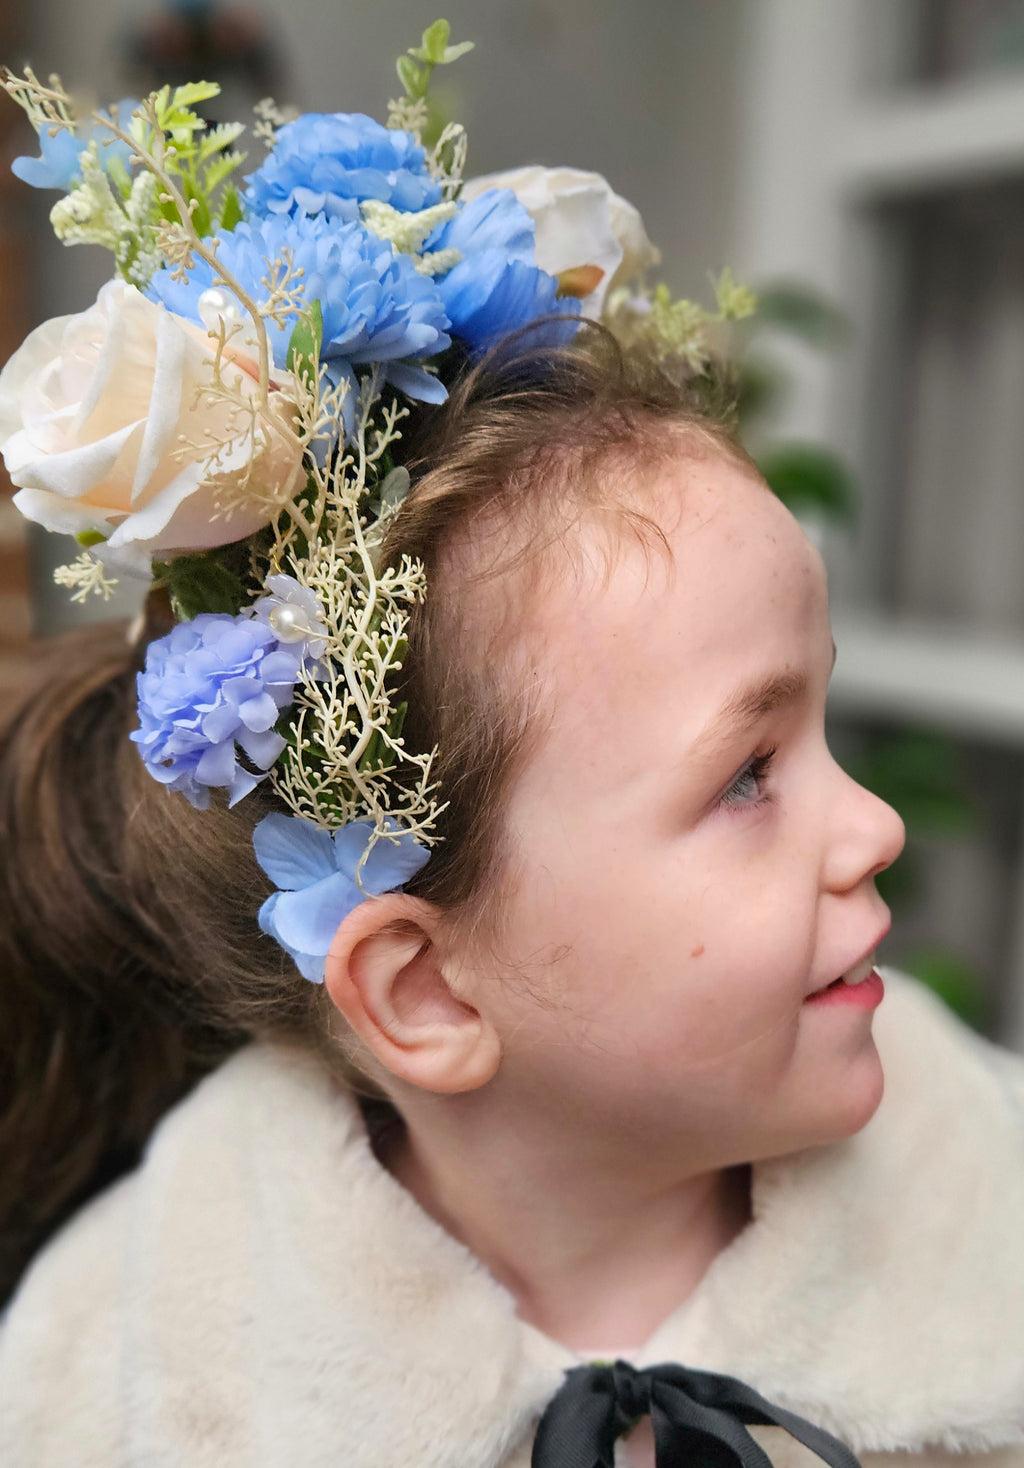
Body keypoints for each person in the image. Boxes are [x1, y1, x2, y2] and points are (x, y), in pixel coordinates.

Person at [1, 335, 1023, 1468]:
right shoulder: (114, 1394)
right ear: (428, 991)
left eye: (821, 726)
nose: (876, 824)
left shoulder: (996, 1230)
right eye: (745, 775)